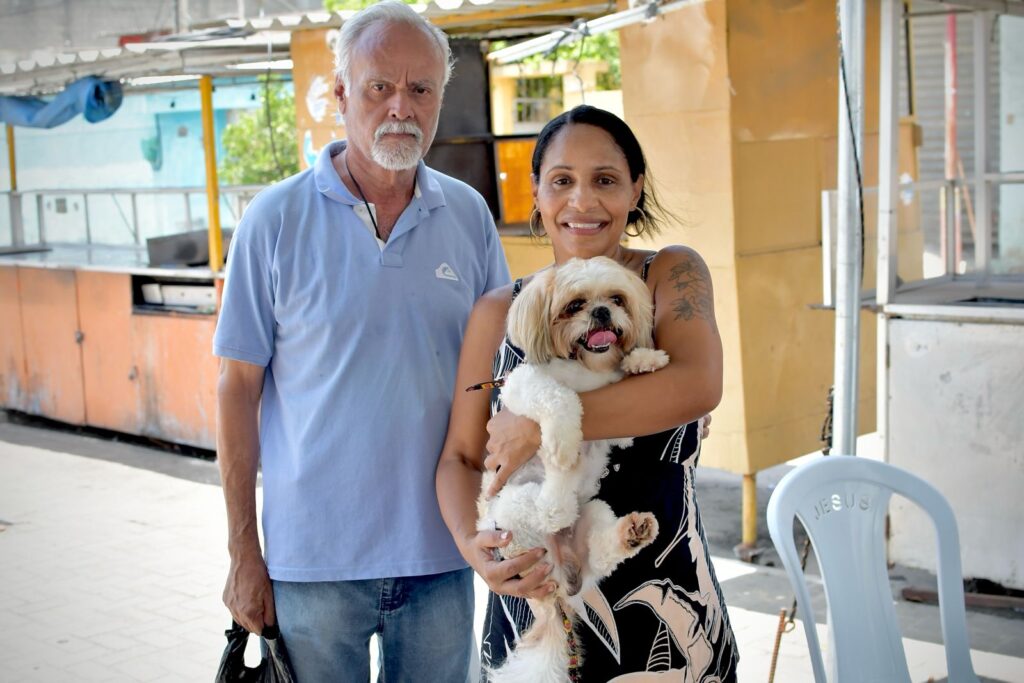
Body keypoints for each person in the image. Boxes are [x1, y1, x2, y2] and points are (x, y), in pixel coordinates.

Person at [213, 2, 510, 680]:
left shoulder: (466, 216)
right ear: (342, 93)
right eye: (379, 87)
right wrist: (242, 552)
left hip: (443, 555)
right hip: (311, 565)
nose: (400, 107)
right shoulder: (274, 220)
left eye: (421, 89)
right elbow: (236, 390)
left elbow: (502, 375)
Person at [436, 105, 739, 681]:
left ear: (635, 189)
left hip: (670, 626)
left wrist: (540, 425)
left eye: (604, 180)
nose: (582, 201)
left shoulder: (668, 276)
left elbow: (699, 383)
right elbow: (461, 456)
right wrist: (471, 546)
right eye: (562, 181)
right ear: (537, 193)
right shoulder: (498, 311)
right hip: (531, 614)